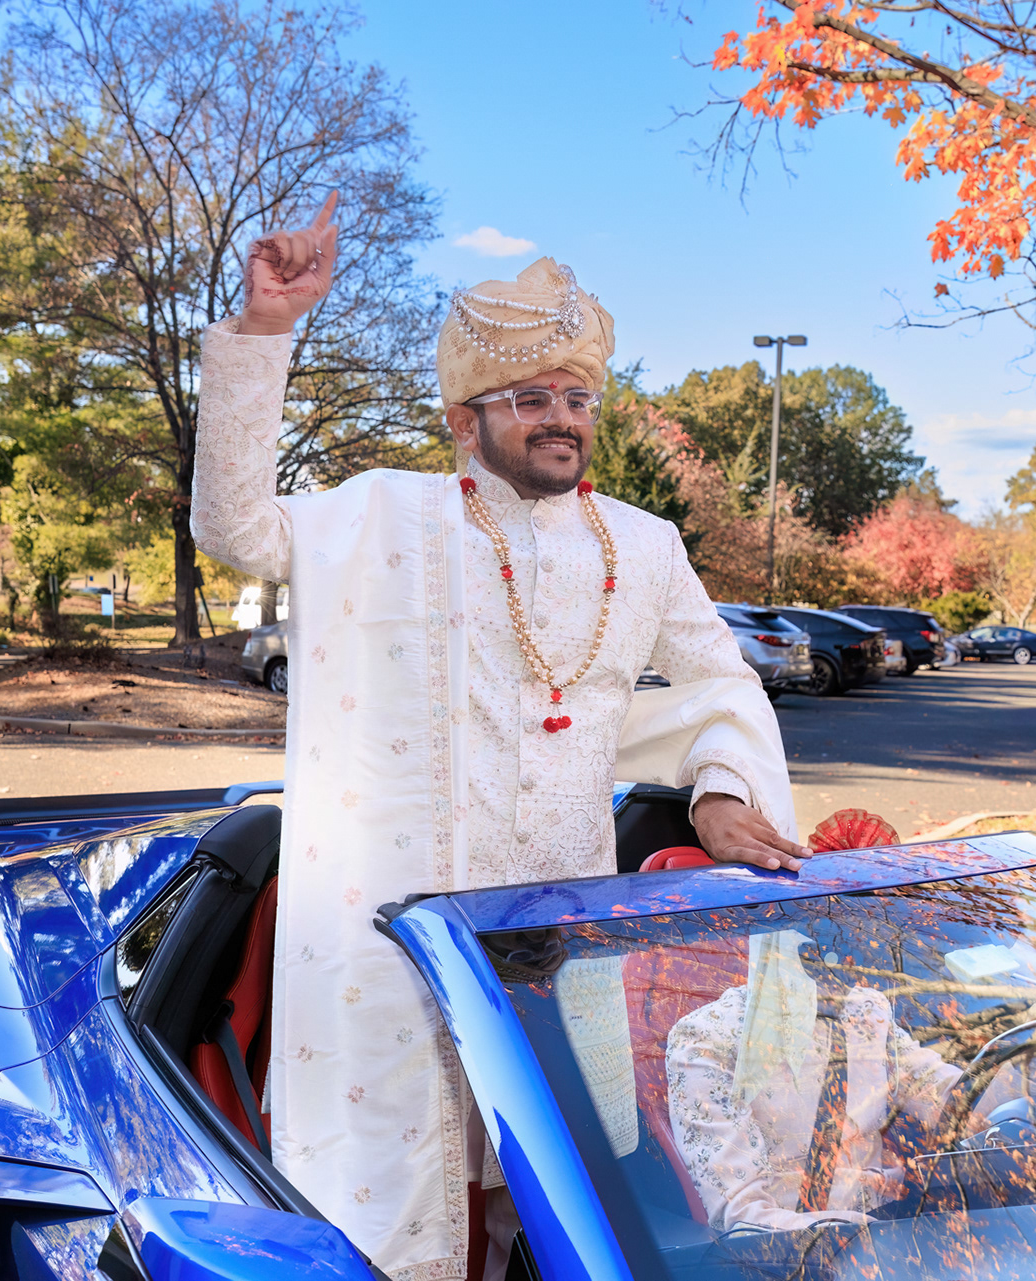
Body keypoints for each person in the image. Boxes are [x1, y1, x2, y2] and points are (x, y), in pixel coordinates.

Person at [190, 196, 808, 1281]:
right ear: (463, 420)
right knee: (393, 1221)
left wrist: (720, 784)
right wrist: (265, 333)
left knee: (558, 1209)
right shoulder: (380, 516)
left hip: (553, 945)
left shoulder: (644, 546)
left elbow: (721, 678)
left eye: (577, 397)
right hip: (390, 945)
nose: (561, 417)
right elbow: (234, 527)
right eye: (530, 398)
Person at [664, 930, 966, 1233]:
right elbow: (744, 1216)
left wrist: (995, 1073)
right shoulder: (710, 1039)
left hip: (900, 1225)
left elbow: (948, 1096)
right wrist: (873, 1237)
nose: (856, 965)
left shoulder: (865, 1010)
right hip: (804, 1248)